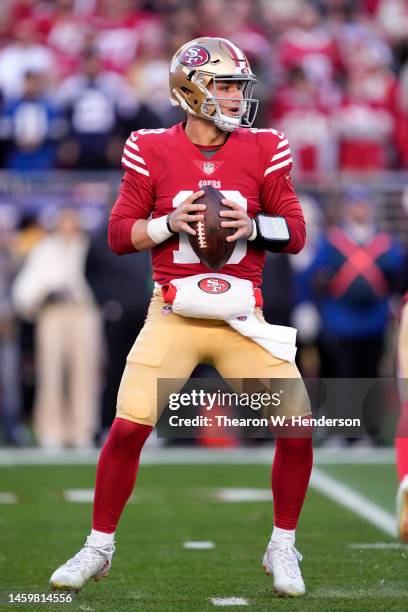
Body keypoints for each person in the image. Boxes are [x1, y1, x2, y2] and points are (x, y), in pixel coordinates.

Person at [50, 37, 312, 598]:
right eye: (224, 86)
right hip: (175, 310)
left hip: (243, 315)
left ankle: (283, 545)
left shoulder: (266, 146)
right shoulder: (150, 147)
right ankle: (98, 545)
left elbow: (296, 230)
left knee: (297, 426)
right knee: (128, 425)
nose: (237, 98)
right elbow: (120, 234)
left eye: (240, 87)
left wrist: (254, 227)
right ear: (190, 90)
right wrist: (170, 221)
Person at [12, 208, 101, 449]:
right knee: (50, 373)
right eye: (65, 221)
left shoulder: (88, 246)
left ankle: (82, 431)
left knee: (85, 373)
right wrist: (40, 296)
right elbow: (26, 287)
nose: (68, 226)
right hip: (52, 313)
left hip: (83, 311)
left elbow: (100, 281)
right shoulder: (45, 248)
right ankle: (51, 431)